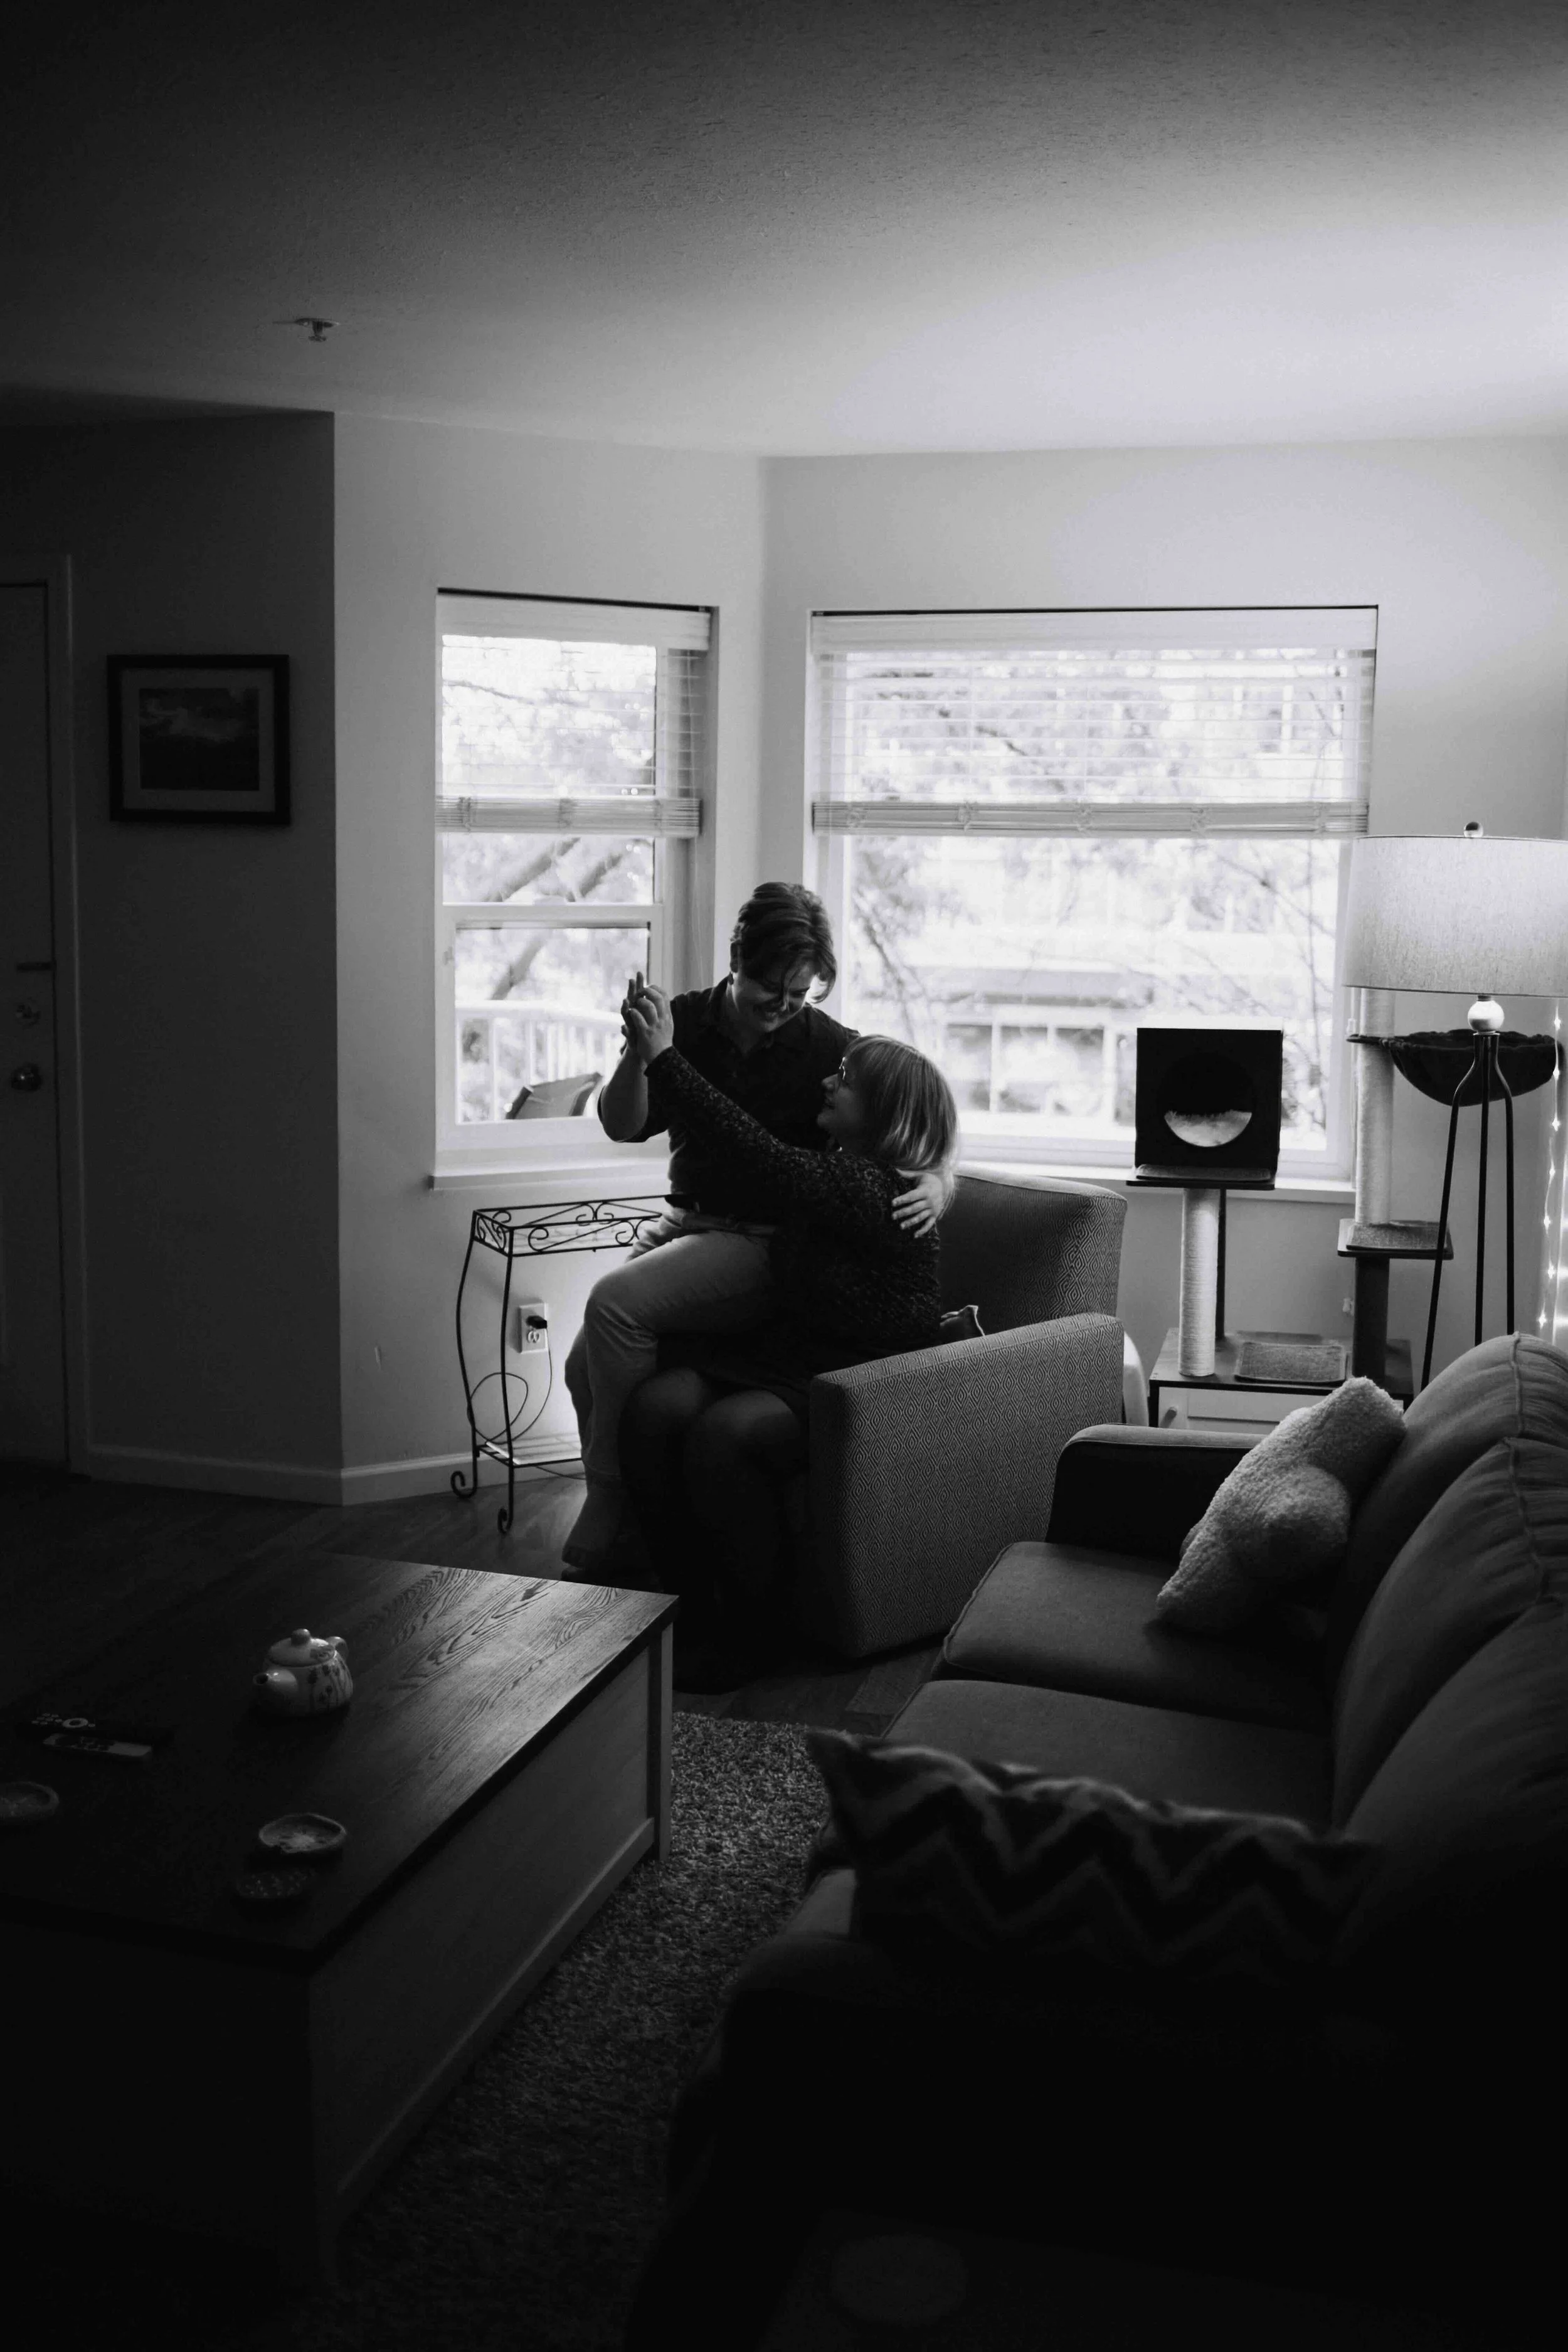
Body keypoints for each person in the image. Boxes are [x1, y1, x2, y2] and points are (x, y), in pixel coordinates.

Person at [561, 883, 944, 1569]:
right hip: (683, 1222)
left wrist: (941, 1179)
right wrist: (641, 1052)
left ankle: (609, 1496)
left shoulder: (830, 1047)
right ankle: (641, 1531)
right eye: (774, 988)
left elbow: (910, 1111)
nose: (787, 1006)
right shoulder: (682, 1021)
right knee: (578, 1364)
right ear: (737, 959)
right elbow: (622, 1126)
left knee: (612, 1306)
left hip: (761, 1241)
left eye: (804, 993)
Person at [615, 980, 959, 1687]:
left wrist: (664, 1058)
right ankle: (692, 1610)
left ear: (883, 1112)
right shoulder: (836, 1163)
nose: (829, 1080)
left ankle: (752, 1634)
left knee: (723, 1435)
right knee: (656, 1409)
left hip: (860, 1377)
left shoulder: (875, 1188)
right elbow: (757, 1156)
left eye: (848, 1081)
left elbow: (757, 1154)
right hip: (792, 1352)